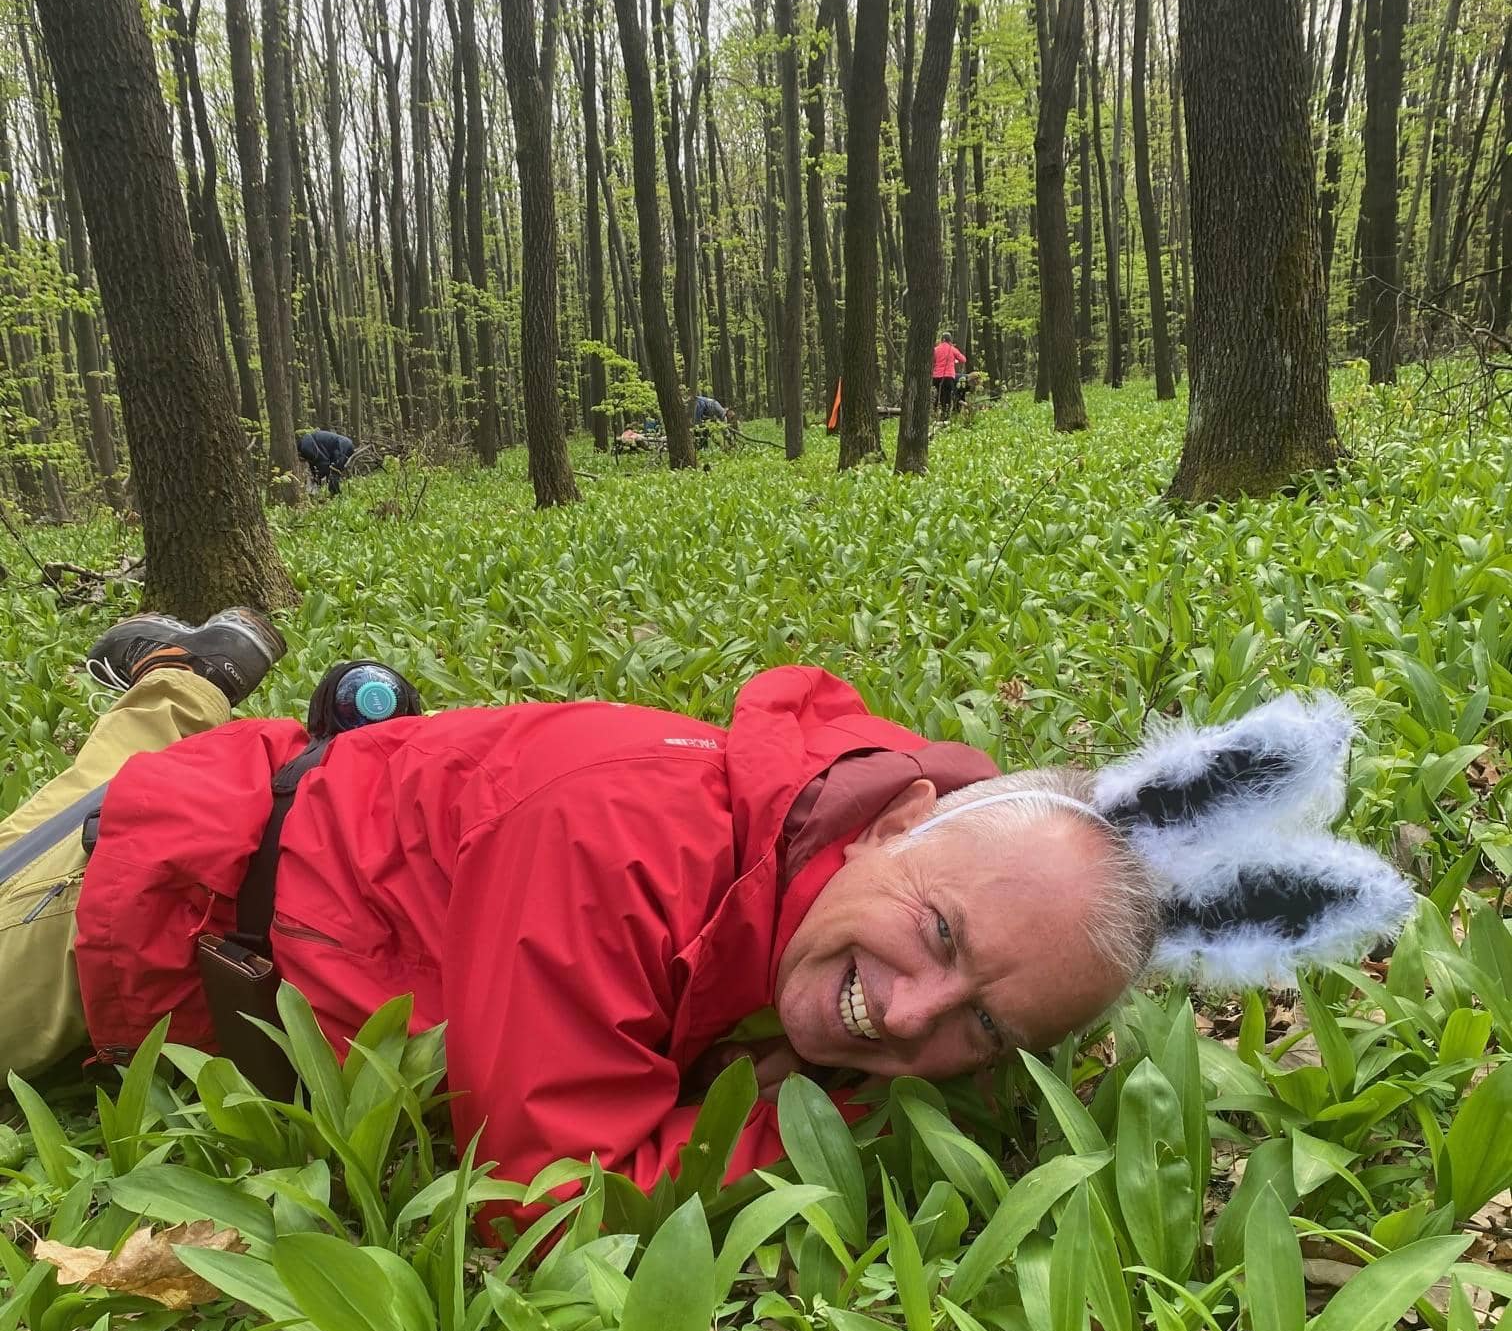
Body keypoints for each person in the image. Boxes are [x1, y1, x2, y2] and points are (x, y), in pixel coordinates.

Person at [0, 615, 1409, 1228]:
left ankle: (191, 678)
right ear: (904, 814)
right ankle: (179, 684)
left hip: (342, 883)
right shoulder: (626, 830)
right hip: (133, 899)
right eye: (941, 940)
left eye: (980, 1027)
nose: (906, 1016)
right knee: (93, 807)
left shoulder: (846, 883)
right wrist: (809, 1117)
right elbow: (552, 1199)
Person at [297, 429, 356, 496]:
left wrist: (317, 479)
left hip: (342, 446)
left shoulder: (307, 448)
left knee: (334, 473)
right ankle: (334, 496)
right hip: (341, 446)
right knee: (332, 473)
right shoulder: (308, 444)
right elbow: (314, 464)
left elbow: (324, 463)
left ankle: (336, 497)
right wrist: (316, 476)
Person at [933, 335, 966, 416]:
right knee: (947, 395)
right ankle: (945, 413)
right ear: (950, 341)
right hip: (948, 376)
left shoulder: (936, 349)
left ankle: (935, 409)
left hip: (936, 376)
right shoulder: (952, 349)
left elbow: (932, 361)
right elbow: (963, 359)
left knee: (940, 392)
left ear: (942, 340)